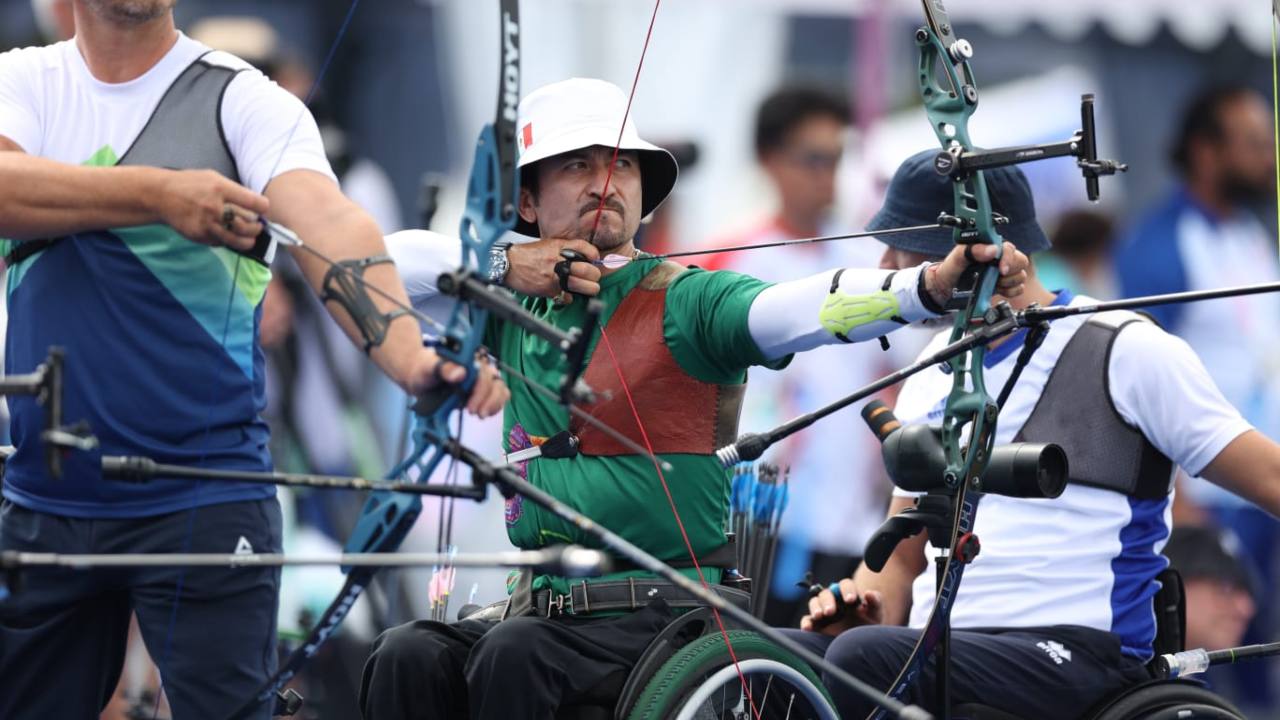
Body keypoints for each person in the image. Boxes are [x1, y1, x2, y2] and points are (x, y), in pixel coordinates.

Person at [358, 77, 1030, 720]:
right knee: (404, 653)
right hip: (537, 610)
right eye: (578, 166)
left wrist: (928, 285)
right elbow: (370, 263)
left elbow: (796, 306)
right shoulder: (504, 300)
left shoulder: (688, 299)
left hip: (659, 616)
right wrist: (505, 264)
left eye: (621, 167)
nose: (604, 183)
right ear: (528, 203)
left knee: (515, 655)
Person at [0, 2, 506, 719]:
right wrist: (159, 194)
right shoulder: (21, 83)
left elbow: (333, 228)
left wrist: (414, 362)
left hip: (205, 498)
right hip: (48, 497)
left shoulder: (246, 100)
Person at [786, 149, 1280, 719]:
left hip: (1080, 657)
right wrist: (864, 605)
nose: (886, 261)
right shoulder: (931, 372)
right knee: (774, 662)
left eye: (899, 237)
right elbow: (898, 563)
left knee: (863, 659)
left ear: (974, 248)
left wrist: (864, 644)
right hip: (944, 651)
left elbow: (1270, 477)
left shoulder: (1126, 347)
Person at [701, 84, 915, 626]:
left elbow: (908, 369)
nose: (827, 176)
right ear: (768, 161)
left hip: (852, 519)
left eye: (836, 159)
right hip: (756, 517)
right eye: (812, 159)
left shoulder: (867, 258)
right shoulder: (727, 258)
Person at [1115, 85, 1280, 704]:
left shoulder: (1249, 233)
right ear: (1206, 151)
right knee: (1212, 678)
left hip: (1265, 487)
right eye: (1255, 144)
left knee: (1263, 673)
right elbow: (1138, 376)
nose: (1269, 158)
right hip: (1212, 497)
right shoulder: (1161, 242)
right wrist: (1181, 501)